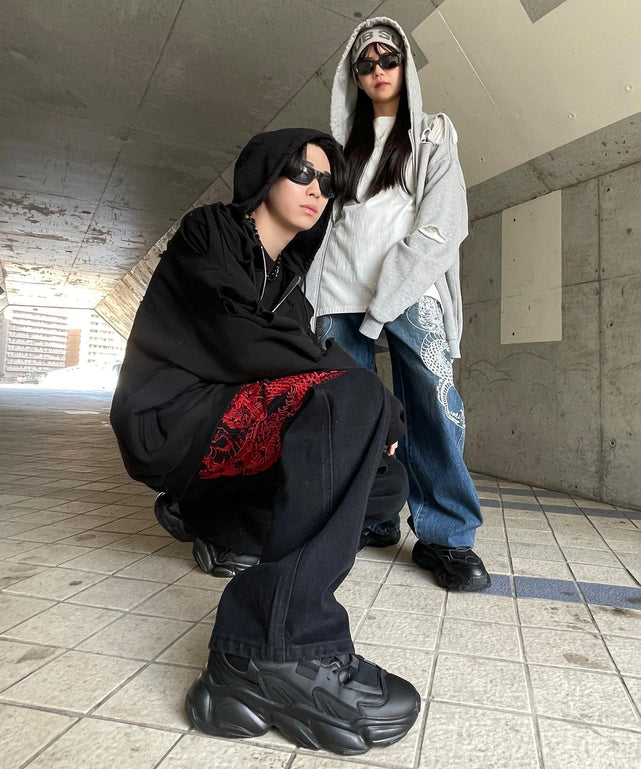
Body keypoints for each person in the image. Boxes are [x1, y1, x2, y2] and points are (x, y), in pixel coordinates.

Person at [110, 127, 420, 755]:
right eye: (301, 172)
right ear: (265, 172)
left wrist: (381, 414)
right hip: (172, 420)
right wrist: (371, 400)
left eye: (327, 183)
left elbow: (305, 350)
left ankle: (220, 523)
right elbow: (239, 338)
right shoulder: (209, 232)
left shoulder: (290, 283)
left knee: (385, 483)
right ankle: (274, 649)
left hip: (232, 428)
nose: (316, 190)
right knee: (350, 401)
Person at [306, 18, 490, 592]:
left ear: (405, 65)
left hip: (412, 288)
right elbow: (325, 223)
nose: (378, 71)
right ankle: (374, 514)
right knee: (350, 411)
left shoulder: (432, 133)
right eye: (365, 64)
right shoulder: (340, 149)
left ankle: (446, 536)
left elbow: (444, 220)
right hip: (339, 289)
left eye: (388, 60)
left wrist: (392, 290)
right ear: (354, 78)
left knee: (434, 404)